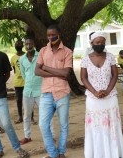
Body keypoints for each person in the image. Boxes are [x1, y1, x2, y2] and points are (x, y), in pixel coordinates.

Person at [80, 32, 123, 158]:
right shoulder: (85, 59)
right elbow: (83, 78)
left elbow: (115, 75)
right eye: (97, 43)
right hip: (92, 99)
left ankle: (113, 153)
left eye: (102, 42)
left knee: (111, 126)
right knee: (96, 127)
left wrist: (107, 91)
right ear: (91, 43)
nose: (100, 45)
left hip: (110, 98)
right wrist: (94, 92)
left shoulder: (110, 57)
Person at [35, 24, 72, 158]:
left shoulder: (67, 52)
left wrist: (45, 67)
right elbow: (37, 70)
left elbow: (67, 73)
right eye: (48, 35)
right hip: (46, 93)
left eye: (53, 35)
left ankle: (61, 152)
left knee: (63, 126)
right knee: (43, 126)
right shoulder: (43, 51)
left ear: (59, 34)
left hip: (62, 92)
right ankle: (53, 154)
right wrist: (57, 73)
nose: (51, 37)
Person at [19, 37, 54, 145]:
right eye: (26, 44)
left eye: (30, 43)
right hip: (27, 91)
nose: (28, 45)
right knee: (26, 115)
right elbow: (23, 74)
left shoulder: (41, 55)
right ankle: (27, 136)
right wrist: (30, 82)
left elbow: (46, 69)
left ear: (34, 45)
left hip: (41, 90)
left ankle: (51, 136)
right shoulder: (22, 59)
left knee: (46, 114)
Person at [11, 40, 26, 124]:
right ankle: (20, 116)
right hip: (17, 82)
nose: (17, 45)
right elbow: (15, 70)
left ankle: (31, 117)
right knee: (18, 100)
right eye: (16, 44)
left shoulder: (27, 55)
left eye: (19, 44)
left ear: (22, 45)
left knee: (28, 100)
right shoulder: (13, 58)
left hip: (27, 82)